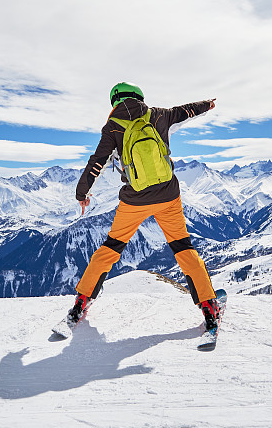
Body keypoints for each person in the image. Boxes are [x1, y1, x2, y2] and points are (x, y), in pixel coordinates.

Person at [67, 81, 220, 330]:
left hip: (134, 200)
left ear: (114, 101)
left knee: (110, 248)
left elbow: (97, 162)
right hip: (168, 195)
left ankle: (82, 301)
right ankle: (209, 305)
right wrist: (207, 105)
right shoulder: (159, 114)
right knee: (183, 247)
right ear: (140, 97)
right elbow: (186, 110)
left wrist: (82, 193)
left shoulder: (112, 127)